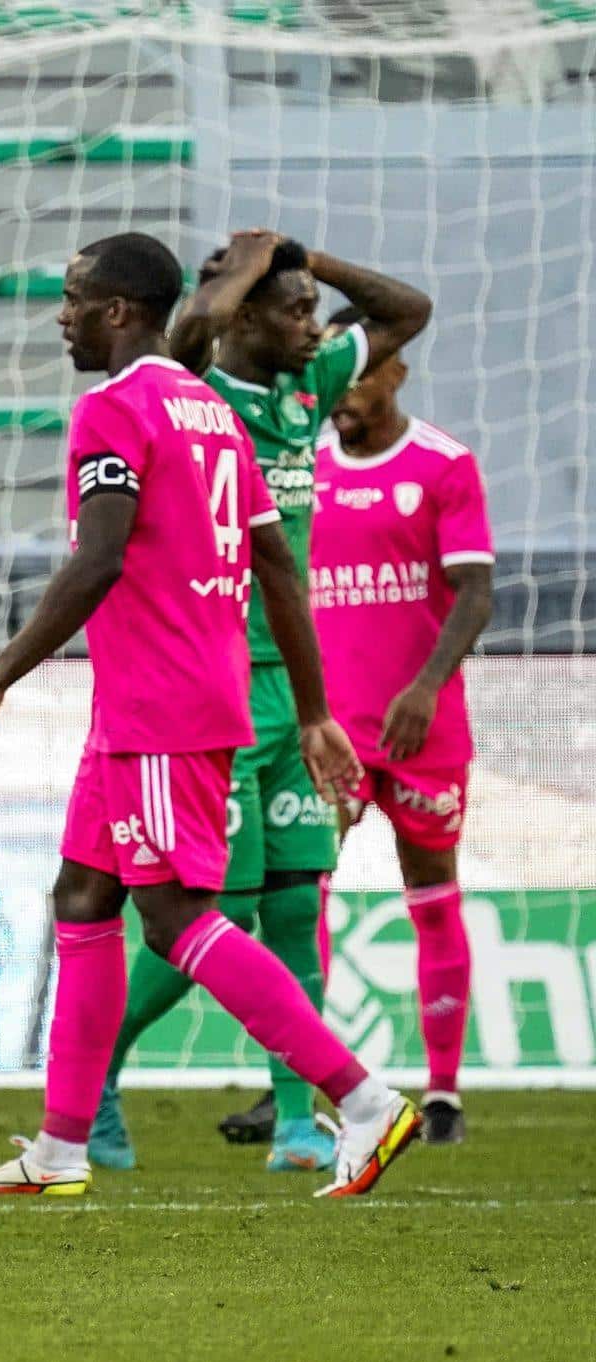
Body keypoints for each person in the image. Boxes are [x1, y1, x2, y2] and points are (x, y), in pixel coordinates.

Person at [0, 232, 420, 1201]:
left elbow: (98, 556)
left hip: (160, 705)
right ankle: (60, 1146)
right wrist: (314, 709)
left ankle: (361, 1099)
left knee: (176, 921)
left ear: (117, 310)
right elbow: (276, 563)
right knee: (81, 898)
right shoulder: (211, 412)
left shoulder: (113, 407)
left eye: (73, 298)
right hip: (150, 706)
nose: (60, 316)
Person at [92, 232, 433, 1172]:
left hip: (291, 687)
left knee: (295, 905)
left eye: (314, 312)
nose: (315, 329)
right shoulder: (194, 389)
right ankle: (96, 1080)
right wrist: (242, 272)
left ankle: (297, 1122)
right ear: (243, 315)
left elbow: (408, 311)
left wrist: (308, 261)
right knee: (217, 916)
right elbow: (192, 327)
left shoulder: (305, 386)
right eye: (293, 313)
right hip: (211, 688)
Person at [311, 307, 493, 1144]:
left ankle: (445, 1091)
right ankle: (305, 1085)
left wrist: (424, 687)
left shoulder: (444, 464)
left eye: (358, 370)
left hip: (423, 729)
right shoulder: (301, 467)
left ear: (396, 373)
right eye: (330, 369)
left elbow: (476, 592)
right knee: (301, 893)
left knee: (431, 897)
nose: (342, 389)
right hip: (332, 733)